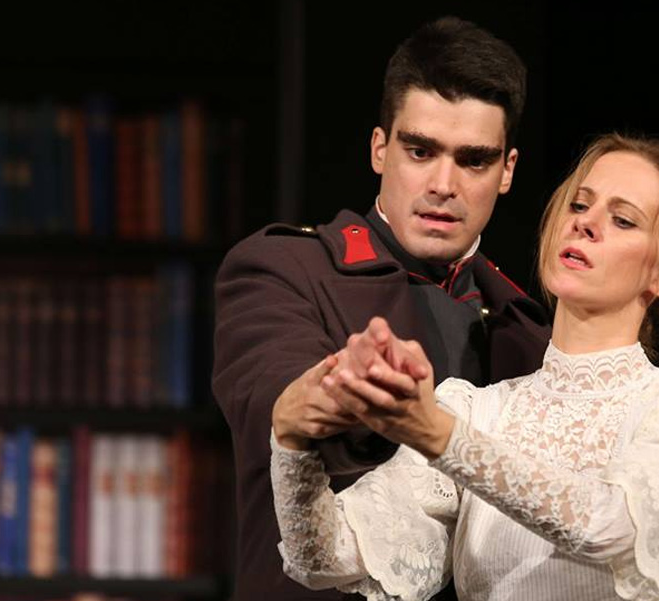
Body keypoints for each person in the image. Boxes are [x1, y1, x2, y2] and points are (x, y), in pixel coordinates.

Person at [269, 133, 659, 601]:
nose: (585, 224)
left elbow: (612, 527)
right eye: (579, 205)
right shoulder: (474, 411)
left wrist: (437, 436)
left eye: (623, 220)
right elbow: (323, 558)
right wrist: (291, 441)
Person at [211, 16, 551, 601]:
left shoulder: (531, 330)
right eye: (420, 151)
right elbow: (274, 401)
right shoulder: (283, 269)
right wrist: (335, 395)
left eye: (473, 160)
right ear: (379, 149)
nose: (443, 184)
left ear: (507, 171)